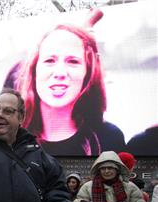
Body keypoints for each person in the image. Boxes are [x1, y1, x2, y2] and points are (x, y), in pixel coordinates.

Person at [18, 24, 126, 156]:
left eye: (73, 61)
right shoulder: (11, 136)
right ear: (34, 70)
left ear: (87, 73)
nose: (60, 72)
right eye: (50, 60)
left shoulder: (109, 138)